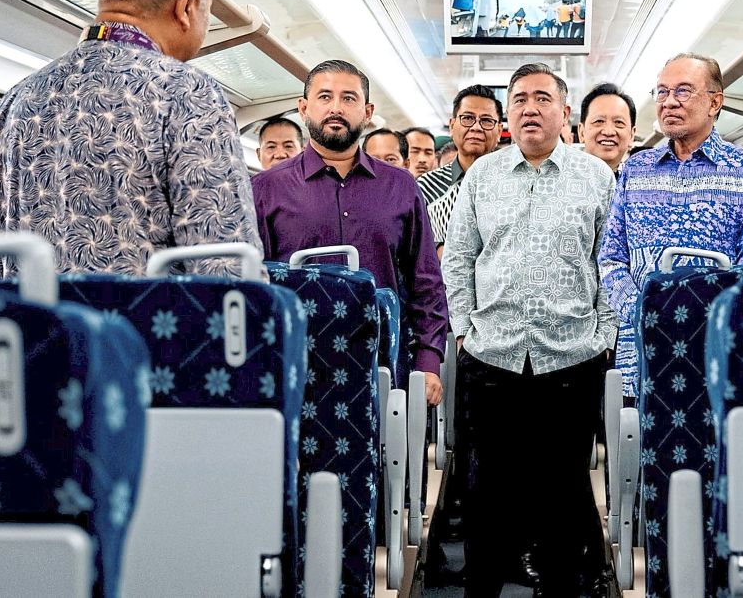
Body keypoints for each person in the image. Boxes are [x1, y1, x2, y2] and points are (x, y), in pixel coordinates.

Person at [0, 0, 259, 285]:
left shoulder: (17, 101)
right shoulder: (189, 95)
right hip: (144, 341)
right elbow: (230, 273)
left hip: (32, 339)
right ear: (188, 5)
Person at [443, 63, 615, 597]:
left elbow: (609, 261)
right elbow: (459, 259)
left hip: (573, 357)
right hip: (492, 356)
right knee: (487, 491)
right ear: (507, 116)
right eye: (519, 99)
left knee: (563, 490)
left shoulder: (597, 177)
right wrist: (465, 329)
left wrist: (604, 332)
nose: (530, 108)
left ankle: (560, 588)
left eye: (543, 98)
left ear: (566, 113)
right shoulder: (482, 176)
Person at [252, 60, 446, 404]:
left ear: (367, 112)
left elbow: (425, 280)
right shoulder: (266, 188)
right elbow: (254, 286)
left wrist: (429, 361)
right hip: (293, 365)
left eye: (349, 98)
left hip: (384, 365)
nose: (336, 108)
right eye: (325, 96)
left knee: (386, 457)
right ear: (304, 107)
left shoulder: (401, 186)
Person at [598, 53, 743, 401]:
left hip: (717, 352)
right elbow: (611, 258)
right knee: (635, 452)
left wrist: (694, 318)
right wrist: (644, 313)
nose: (668, 102)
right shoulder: (636, 170)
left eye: (683, 91)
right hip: (640, 355)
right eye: (662, 92)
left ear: (715, 102)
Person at [417, 84, 502, 254]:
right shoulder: (425, 186)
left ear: (499, 131)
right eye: (467, 118)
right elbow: (413, 243)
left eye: (486, 120)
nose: (476, 127)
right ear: (452, 125)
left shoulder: (513, 184)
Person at [580, 82, 636, 175]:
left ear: (632, 135)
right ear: (581, 132)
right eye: (599, 121)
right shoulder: (561, 182)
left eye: (618, 122)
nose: (608, 132)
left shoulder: (643, 185)